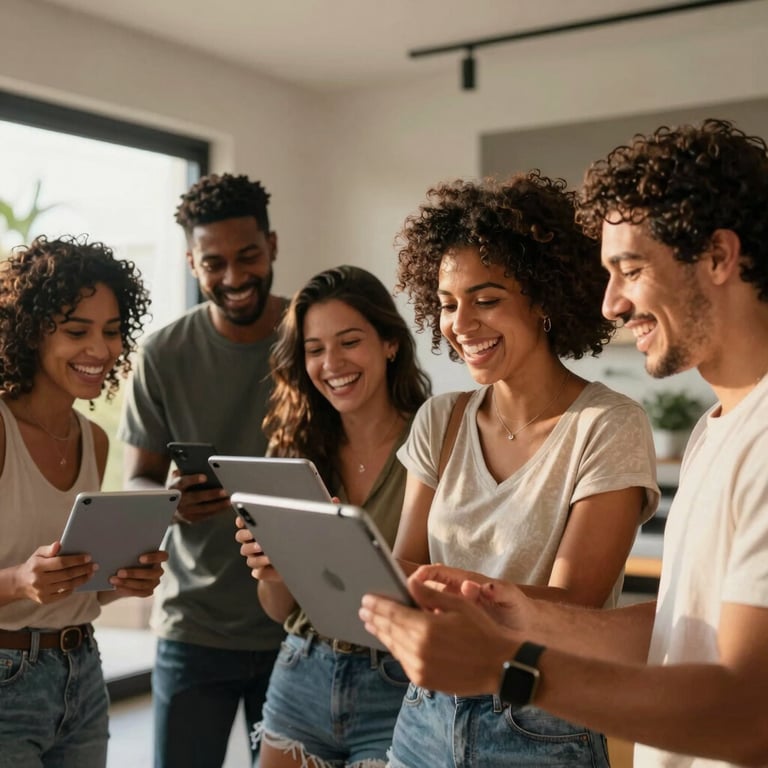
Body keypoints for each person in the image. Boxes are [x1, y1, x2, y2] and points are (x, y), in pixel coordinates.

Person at [360, 119, 768, 768]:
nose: (610, 304)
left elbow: (751, 713)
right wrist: (509, 611)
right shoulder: (718, 430)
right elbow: (676, 632)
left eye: (630, 269)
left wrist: (506, 668)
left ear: (718, 256)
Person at [363, 171, 660, 768]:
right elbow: (405, 564)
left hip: (541, 721)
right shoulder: (441, 420)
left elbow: (575, 603)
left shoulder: (607, 426)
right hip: (425, 713)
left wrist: (443, 590)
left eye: (487, 299)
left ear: (545, 297)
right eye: (448, 304)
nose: (461, 324)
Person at [118, 173, 286, 768]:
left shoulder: (313, 341)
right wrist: (166, 501)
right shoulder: (163, 353)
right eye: (214, 263)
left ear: (272, 245)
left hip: (295, 624)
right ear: (192, 262)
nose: (234, 278)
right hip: (193, 629)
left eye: (248, 257)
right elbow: (140, 477)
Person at [234, 265, 431, 768]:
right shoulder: (294, 453)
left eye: (349, 342)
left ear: (389, 343)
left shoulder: (434, 445)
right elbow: (280, 609)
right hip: (302, 669)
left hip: (398, 682)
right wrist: (273, 570)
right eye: (315, 348)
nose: (331, 363)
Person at [0, 235, 166, 767]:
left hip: (82, 675)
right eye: (77, 331)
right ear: (29, 333)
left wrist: (122, 581)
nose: (101, 349)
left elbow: (73, 587)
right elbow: (29, 584)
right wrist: (19, 581)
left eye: (113, 331)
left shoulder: (92, 437)